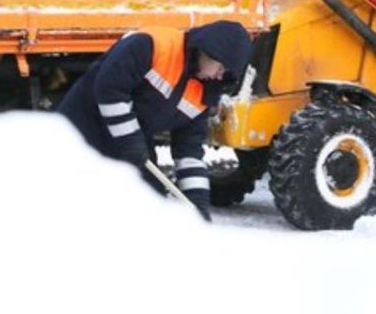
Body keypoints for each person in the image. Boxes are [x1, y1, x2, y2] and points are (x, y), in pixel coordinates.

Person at [58, 21, 253, 221]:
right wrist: (131, 143)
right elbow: (110, 88)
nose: (219, 76)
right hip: (81, 129)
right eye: (220, 68)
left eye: (225, 73)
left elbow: (189, 151)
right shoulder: (153, 45)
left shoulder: (203, 93)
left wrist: (199, 206)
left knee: (151, 203)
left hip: (133, 140)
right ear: (209, 51)